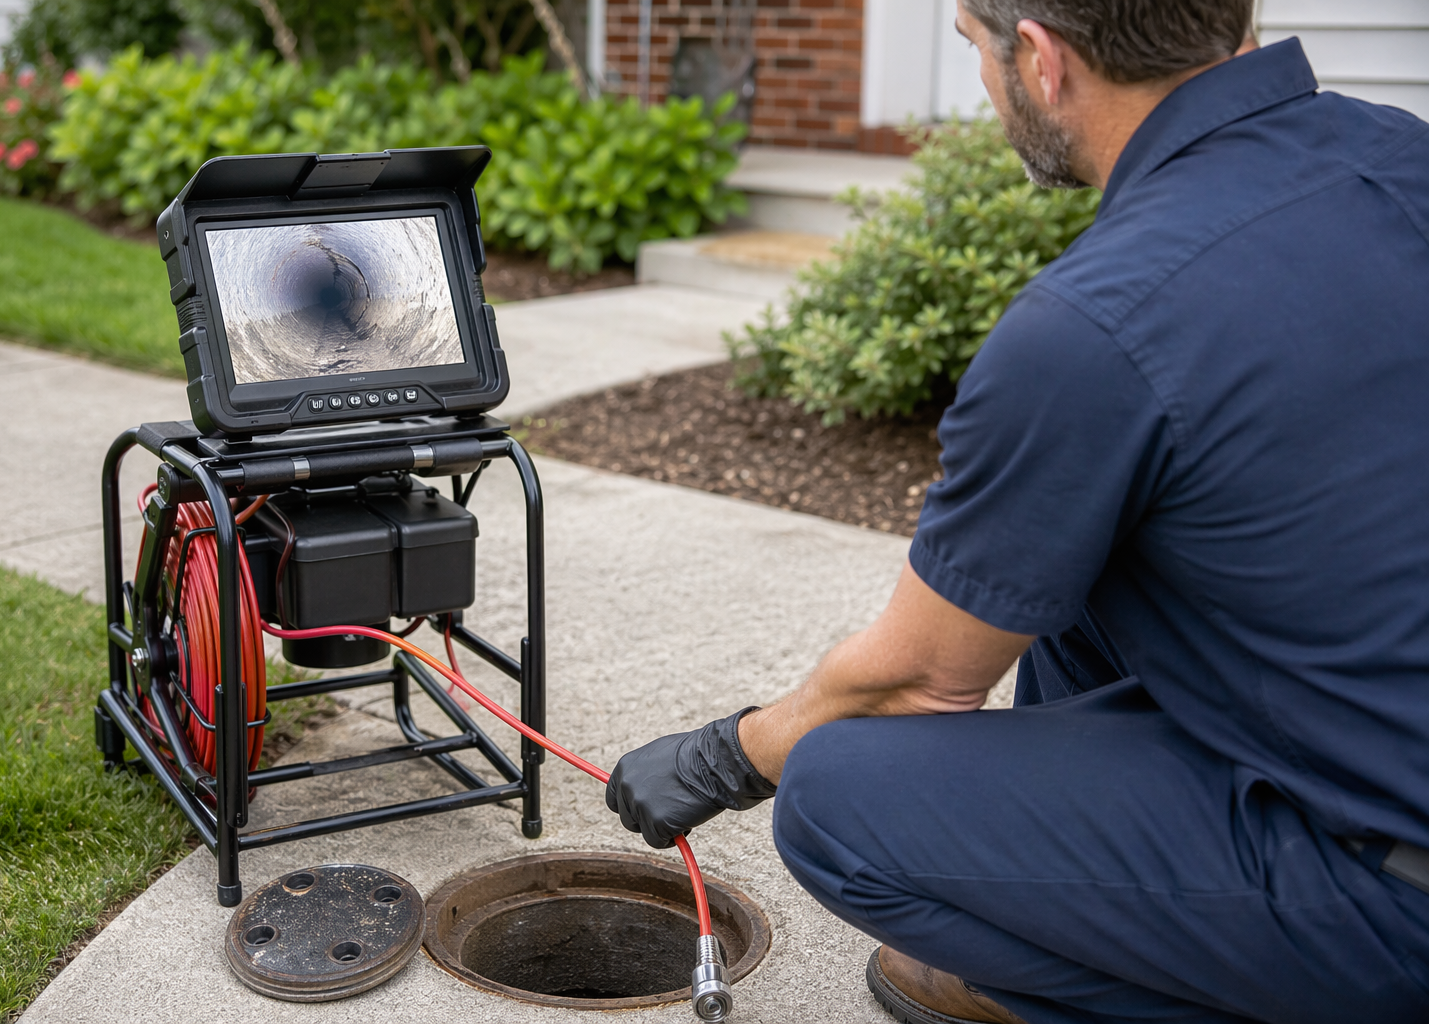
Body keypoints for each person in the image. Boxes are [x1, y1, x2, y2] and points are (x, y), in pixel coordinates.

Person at [604, 2, 1429, 1022]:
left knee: (834, 797)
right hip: (1383, 744)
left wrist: (728, 756)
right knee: (1073, 564)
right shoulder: (1400, 154)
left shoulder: (1100, 320)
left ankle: (1159, 984)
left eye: (972, 47)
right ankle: (1092, 921)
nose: (983, 85)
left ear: (1040, 60)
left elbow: (915, 679)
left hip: (1392, 899)